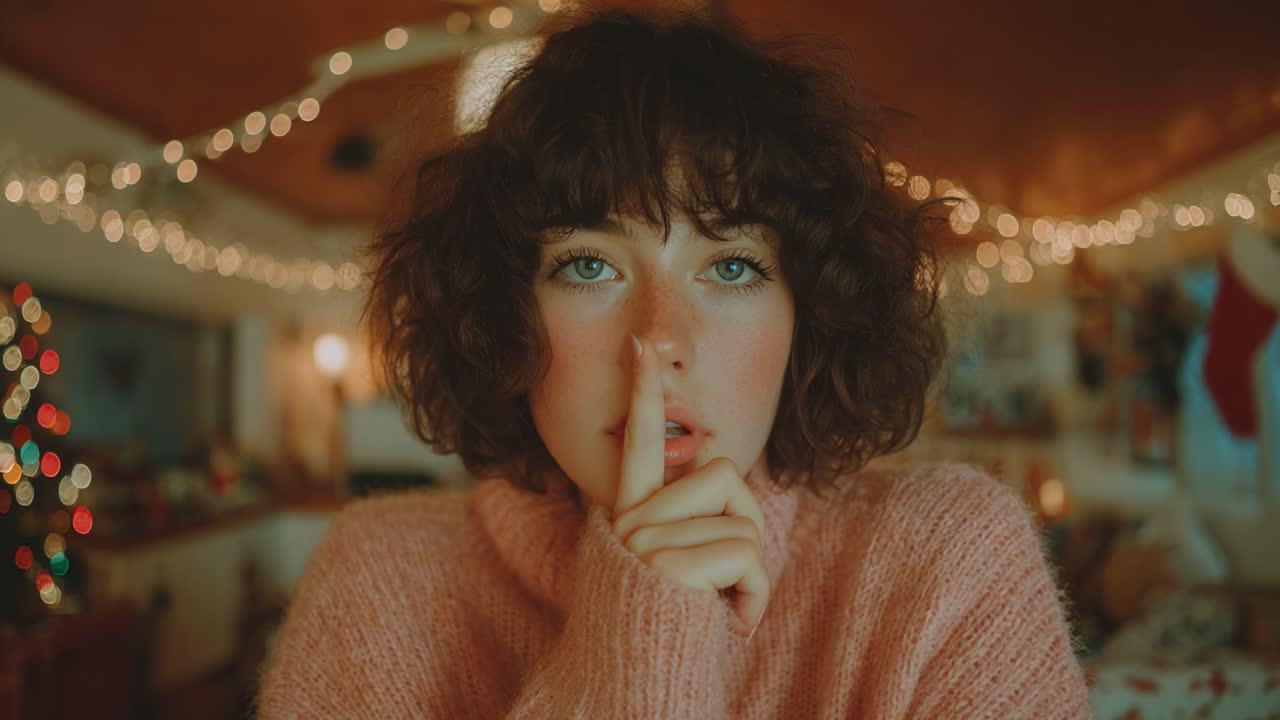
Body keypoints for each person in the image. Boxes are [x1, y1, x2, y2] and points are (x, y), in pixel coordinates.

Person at [256, 6, 1092, 718]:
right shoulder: (378, 580)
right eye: (589, 265)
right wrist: (643, 638)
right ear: (503, 311)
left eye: (731, 267)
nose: (661, 341)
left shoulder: (947, 562)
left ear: (811, 313)